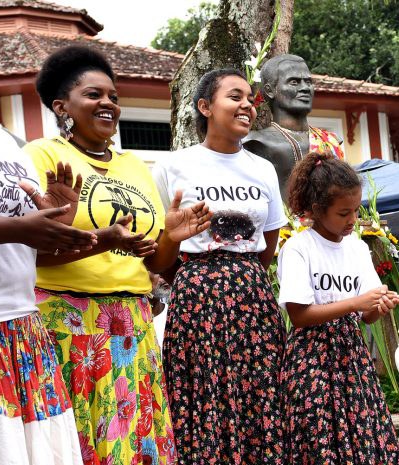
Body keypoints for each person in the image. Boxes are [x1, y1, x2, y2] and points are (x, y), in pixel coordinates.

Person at [24, 46, 211, 465]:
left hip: (132, 325)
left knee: (133, 445)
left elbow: (153, 264)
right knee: (82, 442)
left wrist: (173, 238)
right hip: (68, 321)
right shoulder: (43, 156)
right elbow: (31, 252)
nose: (108, 103)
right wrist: (102, 240)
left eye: (113, 96)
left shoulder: (135, 167)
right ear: (62, 106)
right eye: (93, 95)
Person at [152, 68, 287, 465]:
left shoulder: (262, 169)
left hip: (253, 297)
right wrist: (184, 253)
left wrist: (238, 276)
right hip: (196, 299)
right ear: (205, 107)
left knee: (260, 394)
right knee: (204, 395)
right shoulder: (172, 166)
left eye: (250, 98)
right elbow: (159, 262)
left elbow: (268, 246)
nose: (246, 104)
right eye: (235, 96)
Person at [0, 54, 97, 464]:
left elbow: (27, 253)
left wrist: (56, 221)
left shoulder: (6, 142)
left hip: (23, 328)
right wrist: (19, 228)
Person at [276, 151, 399, 464]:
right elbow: (299, 316)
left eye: (355, 211)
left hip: (352, 358)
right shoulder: (297, 248)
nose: (351, 221)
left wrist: (380, 304)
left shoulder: (358, 248)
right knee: (320, 439)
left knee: (363, 435)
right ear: (316, 209)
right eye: (343, 213)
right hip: (311, 360)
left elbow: (366, 312)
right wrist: (355, 303)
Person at [244, 54, 343, 195]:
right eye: (294, 82)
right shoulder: (254, 142)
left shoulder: (331, 141)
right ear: (270, 90)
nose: (305, 88)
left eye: (308, 82)